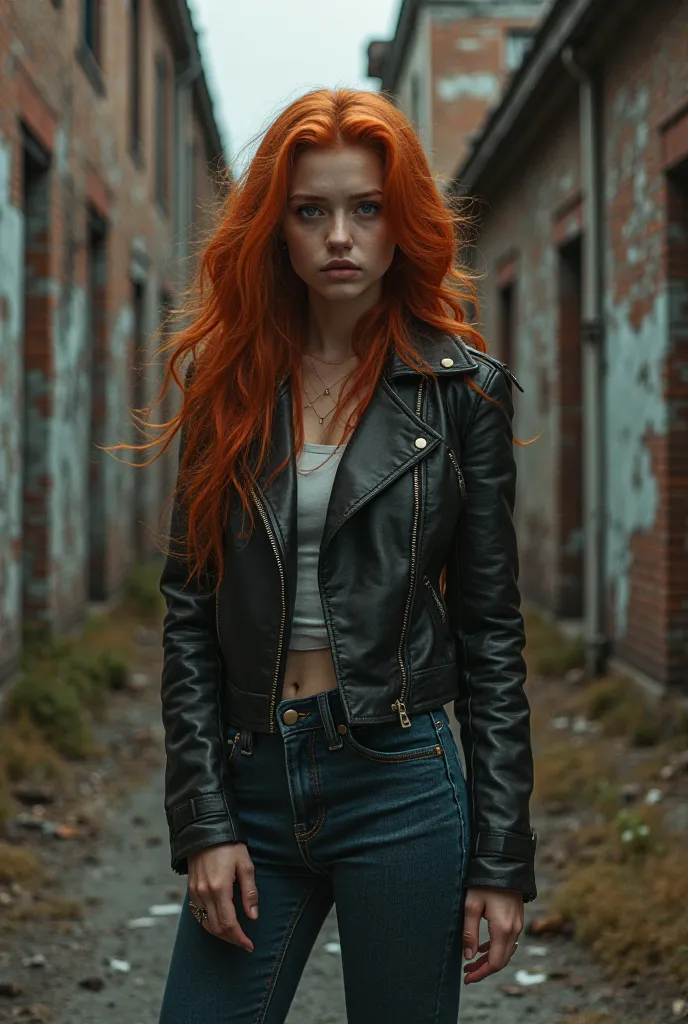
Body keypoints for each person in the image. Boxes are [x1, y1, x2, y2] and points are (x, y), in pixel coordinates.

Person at [151, 87, 536, 1024]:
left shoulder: (462, 395)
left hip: (402, 777)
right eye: (311, 210)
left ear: (400, 224)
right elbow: (189, 613)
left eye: (365, 209)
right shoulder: (227, 385)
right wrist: (204, 823)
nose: (340, 237)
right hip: (252, 775)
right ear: (275, 228)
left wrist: (501, 859)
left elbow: (491, 634)